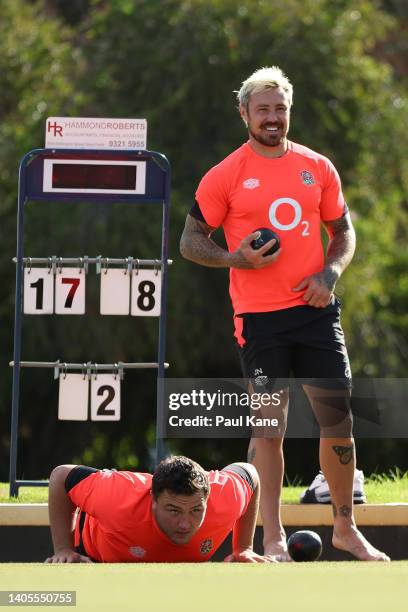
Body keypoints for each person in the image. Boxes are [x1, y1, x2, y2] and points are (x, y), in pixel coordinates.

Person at [180, 66, 389, 562]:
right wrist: (237, 259)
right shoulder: (225, 173)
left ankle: (346, 528)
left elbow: (343, 232)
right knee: (269, 429)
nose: (273, 118)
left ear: (288, 111)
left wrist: (330, 275)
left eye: (280, 109)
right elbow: (190, 241)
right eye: (263, 109)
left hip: (316, 312)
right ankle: (270, 537)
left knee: (338, 423)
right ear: (245, 114)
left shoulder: (318, 167)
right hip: (260, 319)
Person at [45, 455, 273, 563]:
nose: (185, 523)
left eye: (196, 510)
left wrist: (243, 548)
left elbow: (250, 473)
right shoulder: (117, 497)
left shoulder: (224, 497)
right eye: (173, 510)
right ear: (152, 498)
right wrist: (64, 549)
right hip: (91, 551)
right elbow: (60, 476)